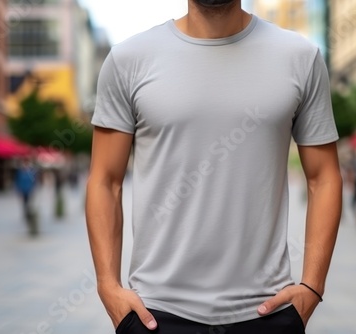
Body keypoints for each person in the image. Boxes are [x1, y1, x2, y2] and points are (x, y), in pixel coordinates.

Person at [86, 1, 342, 333]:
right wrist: (109, 287)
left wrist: (312, 288)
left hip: (267, 313)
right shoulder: (128, 59)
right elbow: (105, 180)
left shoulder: (300, 57)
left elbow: (324, 177)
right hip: (156, 314)